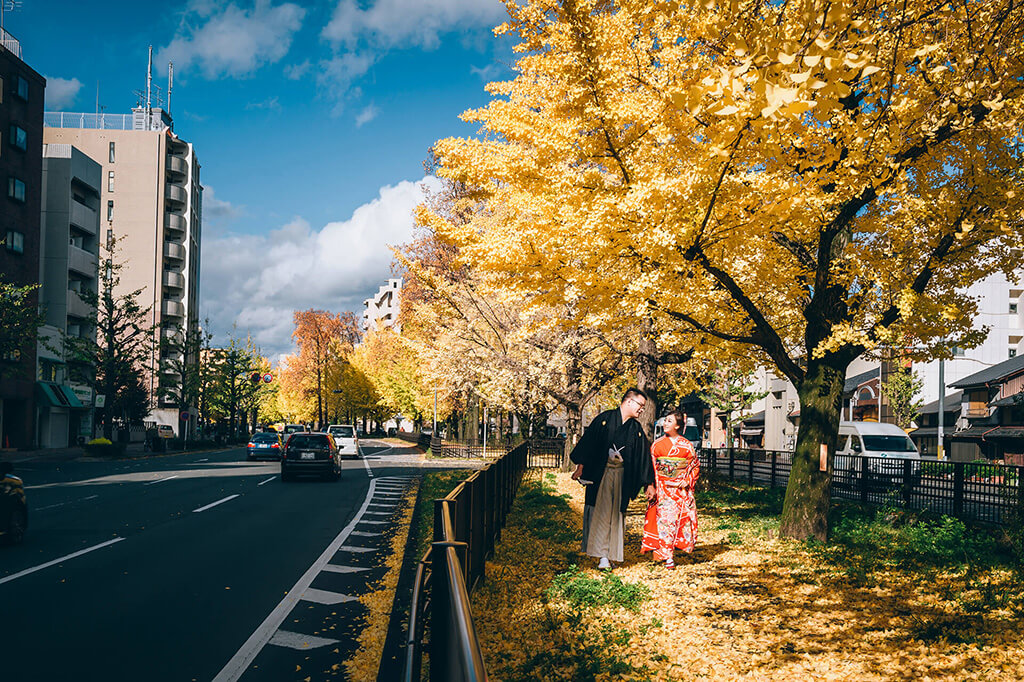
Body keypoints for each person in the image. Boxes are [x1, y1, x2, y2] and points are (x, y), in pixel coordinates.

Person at [570, 388, 656, 570]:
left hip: (622, 476)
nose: (642, 410)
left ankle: (609, 554)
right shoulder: (605, 419)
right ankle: (603, 555)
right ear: (629, 401)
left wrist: (648, 483)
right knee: (600, 513)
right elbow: (589, 443)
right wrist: (581, 466)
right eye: (640, 405)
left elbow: (643, 457)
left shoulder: (636, 429)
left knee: (616, 515)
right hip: (601, 474)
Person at [641, 409, 700, 569]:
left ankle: (672, 552)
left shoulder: (686, 446)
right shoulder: (657, 445)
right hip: (662, 488)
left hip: (680, 490)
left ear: (678, 425)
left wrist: (687, 480)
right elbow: (651, 467)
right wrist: (650, 485)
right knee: (665, 522)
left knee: (677, 522)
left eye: (669, 421)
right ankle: (668, 557)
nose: (665, 423)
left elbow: (694, 466)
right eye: (665, 420)